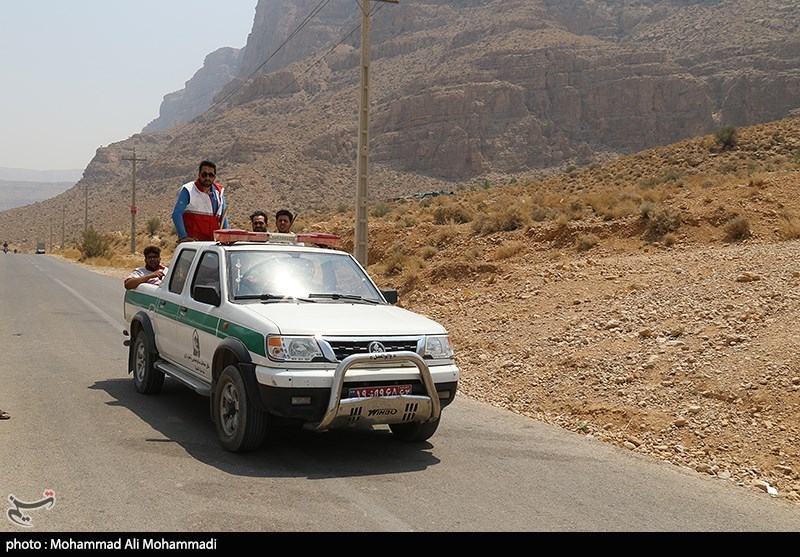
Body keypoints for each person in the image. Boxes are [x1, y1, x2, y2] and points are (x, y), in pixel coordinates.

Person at [171, 160, 229, 242]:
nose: (207, 178)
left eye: (211, 175)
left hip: (212, 243)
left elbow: (224, 217)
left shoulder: (219, 192)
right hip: (193, 243)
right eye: (204, 174)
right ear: (199, 175)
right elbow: (176, 213)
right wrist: (183, 236)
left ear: (215, 177)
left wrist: (225, 237)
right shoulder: (188, 190)